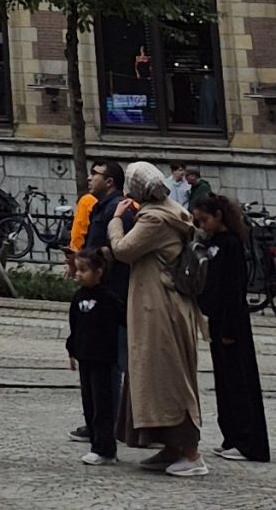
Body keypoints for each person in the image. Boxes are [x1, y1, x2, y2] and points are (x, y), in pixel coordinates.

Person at [107, 162, 204, 475]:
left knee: (168, 376)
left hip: (160, 308)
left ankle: (191, 455)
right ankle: (170, 447)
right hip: (165, 304)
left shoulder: (153, 218)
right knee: (154, 374)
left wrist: (115, 221)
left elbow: (123, 249)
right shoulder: (170, 208)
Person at [187, 185, 269, 464]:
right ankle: (231, 435)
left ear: (219, 215)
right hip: (216, 320)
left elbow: (234, 290)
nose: (202, 225)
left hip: (231, 323)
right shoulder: (211, 244)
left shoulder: (231, 245)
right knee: (224, 382)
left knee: (239, 382)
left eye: (205, 219)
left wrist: (230, 330)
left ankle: (248, 441)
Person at [66, 248, 123, 464]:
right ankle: (95, 443)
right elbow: (74, 325)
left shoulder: (108, 298)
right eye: (77, 270)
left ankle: (106, 449)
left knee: (103, 405)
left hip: (104, 359)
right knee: (89, 403)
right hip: (85, 358)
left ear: (99, 271)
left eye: (84, 270)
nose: (79, 274)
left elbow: (124, 317)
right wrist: (72, 351)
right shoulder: (79, 296)